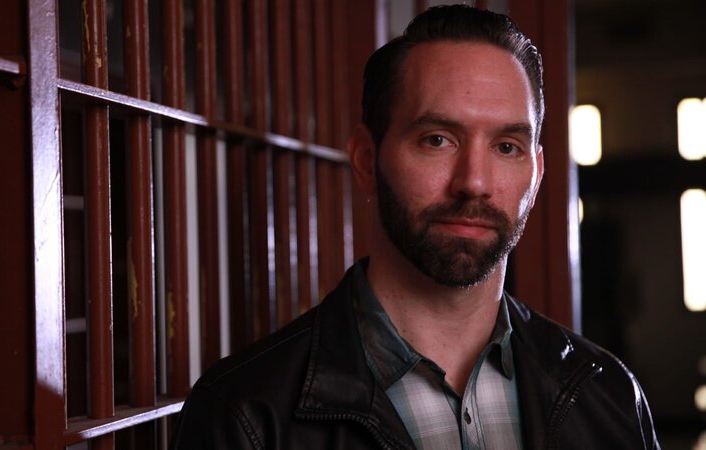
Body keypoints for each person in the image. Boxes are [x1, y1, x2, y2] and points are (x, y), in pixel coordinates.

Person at [172, 5, 659, 449]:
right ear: (366, 158)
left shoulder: (609, 394)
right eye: (438, 139)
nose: (474, 182)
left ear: (536, 172)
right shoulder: (245, 415)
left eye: (506, 146)